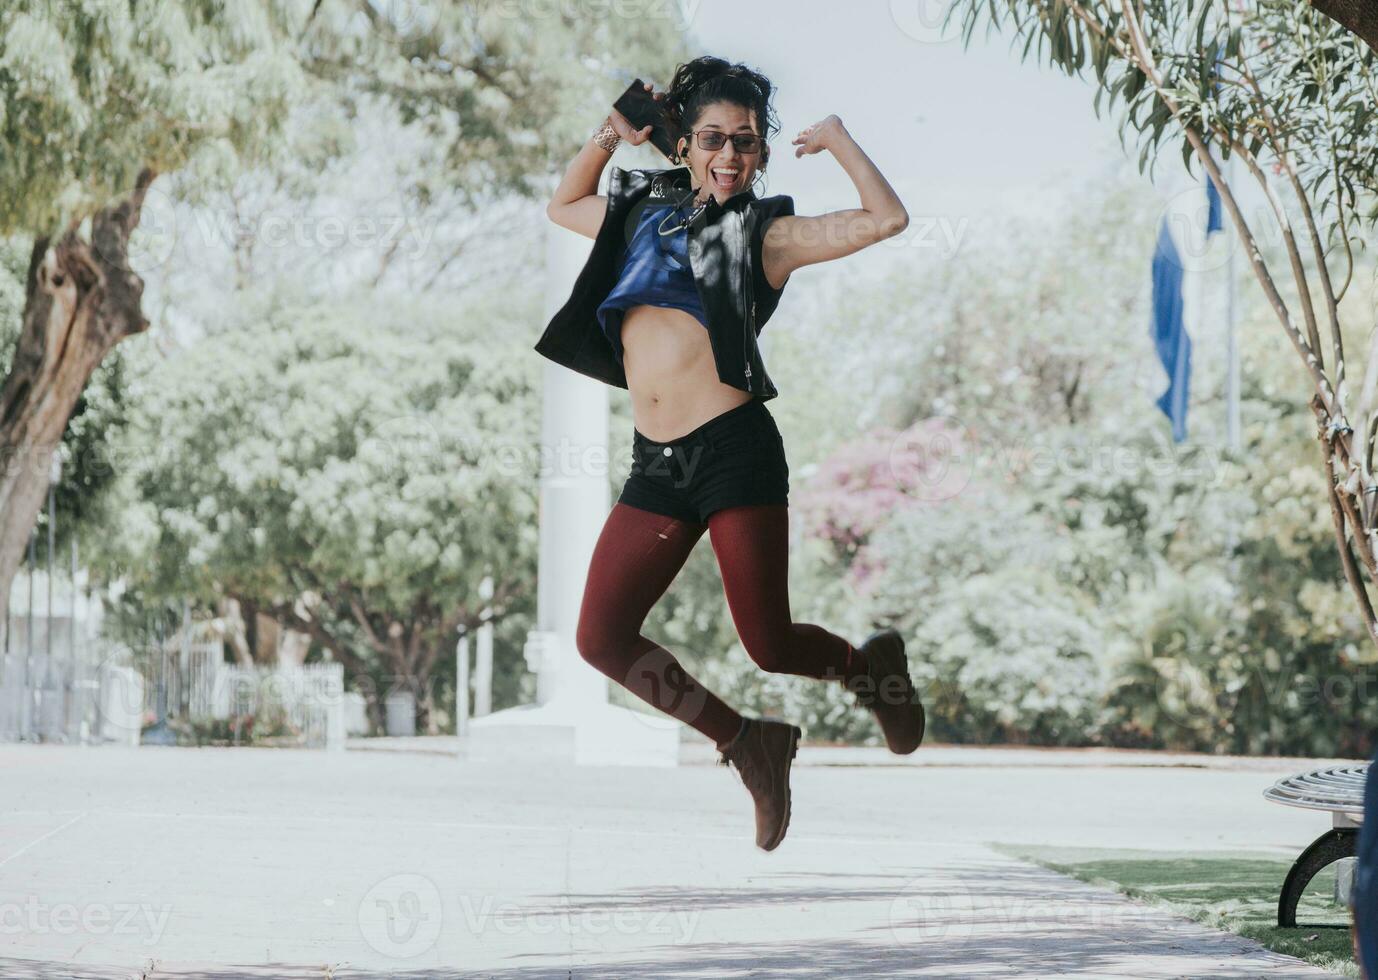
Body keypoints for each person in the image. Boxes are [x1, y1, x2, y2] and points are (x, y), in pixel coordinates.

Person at [537, 56, 921, 852]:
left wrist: (843, 142)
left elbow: (886, 220)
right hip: (657, 465)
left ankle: (871, 668)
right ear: (684, 144)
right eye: (713, 138)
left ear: (761, 156)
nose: (729, 155)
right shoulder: (638, 213)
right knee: (601, 638)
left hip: (734, 451)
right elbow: (563, 201)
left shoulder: (768, 235)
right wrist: (611, 133)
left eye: (746, 143)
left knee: (769, 642)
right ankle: (747, 742)